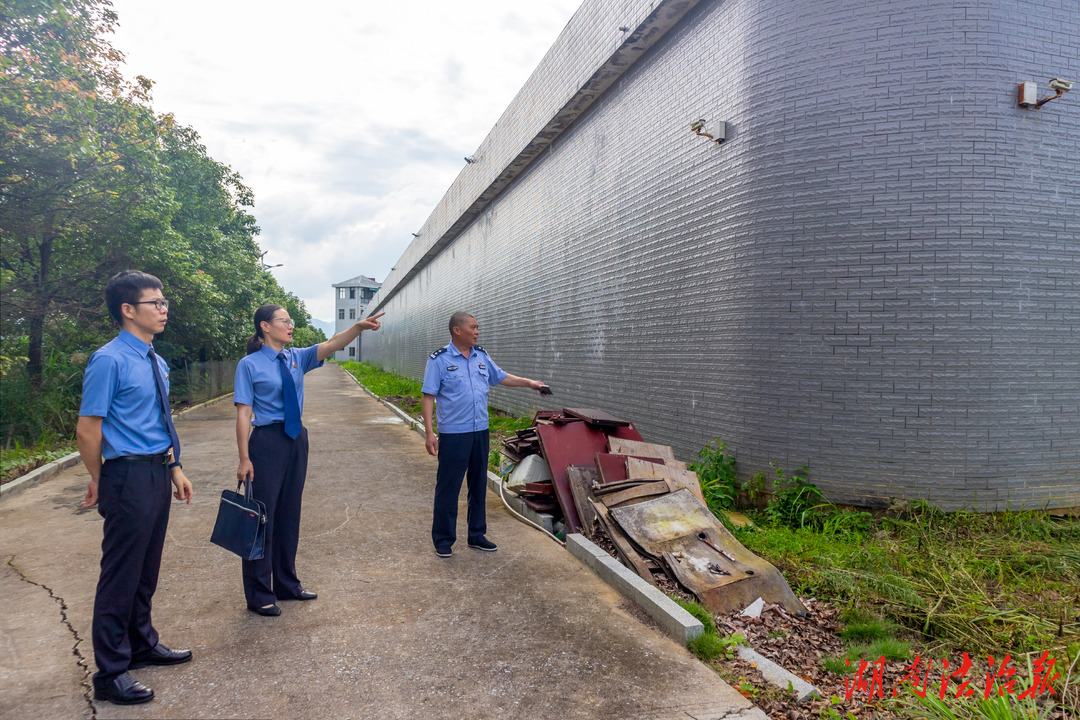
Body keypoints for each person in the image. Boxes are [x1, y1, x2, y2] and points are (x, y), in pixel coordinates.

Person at [76, 270, 194, 706]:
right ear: (129, 310)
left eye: (164, 302)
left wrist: (175, 467)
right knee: (120, 575)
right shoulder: (109, 359)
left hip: (156, 471)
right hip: (125, 475)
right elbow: (89, 430)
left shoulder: (154, 359)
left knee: (146, 568)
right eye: (155, 303)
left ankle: (141, 644)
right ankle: (111, 673)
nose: (164, 309)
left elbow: (160, 422)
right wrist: (102, 480)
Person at [233, 304, 383, 616]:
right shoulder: (248, 365)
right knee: (262, 517)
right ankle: (260, 593)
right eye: (284, 320)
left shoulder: (296, 357)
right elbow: (244, 413)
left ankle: (287, 584)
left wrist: (358, 328)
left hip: (295, 439)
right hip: (266, 442)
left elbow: (332, 344)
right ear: (265, 326)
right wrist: (244, 457)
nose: (290, 325)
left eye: (291, 320)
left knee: (289, 514)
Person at [422, 312, 547, 557]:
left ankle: (477, 535)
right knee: (448, 487)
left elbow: (501, 377)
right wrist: (429, 432)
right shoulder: (439, 360)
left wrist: (530, 383)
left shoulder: (481, 356)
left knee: (478, 485)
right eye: (473, 327)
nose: (477, 331)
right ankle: (444, 539)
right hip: (454, 434)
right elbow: (428, 396)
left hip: (480, 431)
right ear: (457, 330)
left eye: (478, 327)